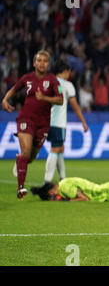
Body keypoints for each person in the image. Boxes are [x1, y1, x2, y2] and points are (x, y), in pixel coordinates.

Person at [2, 50, 63, 199]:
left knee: (30, 157)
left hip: (43, 124)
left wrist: (44, 97)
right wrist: (5, 99)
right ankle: (20, 188)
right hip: (26, 119)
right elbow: (14, 89)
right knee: (26, 151)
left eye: (45, 61)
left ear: (49, 64)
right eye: (39, 60)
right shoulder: (27, 78)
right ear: (35, 63)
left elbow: (60, 100)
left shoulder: (53, 80)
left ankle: (20, 161)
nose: (42, 63)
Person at [44, 60, 89, 183]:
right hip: (58, 122)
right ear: (64, 72)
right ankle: (47, 182)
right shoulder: (67, 85)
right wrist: (83, 122)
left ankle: (63, 179)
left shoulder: (47, 82)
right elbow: (74, 105)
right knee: (55, 149)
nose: (69, 75)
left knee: (60, 148)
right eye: (69, 72)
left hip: (46, 121)